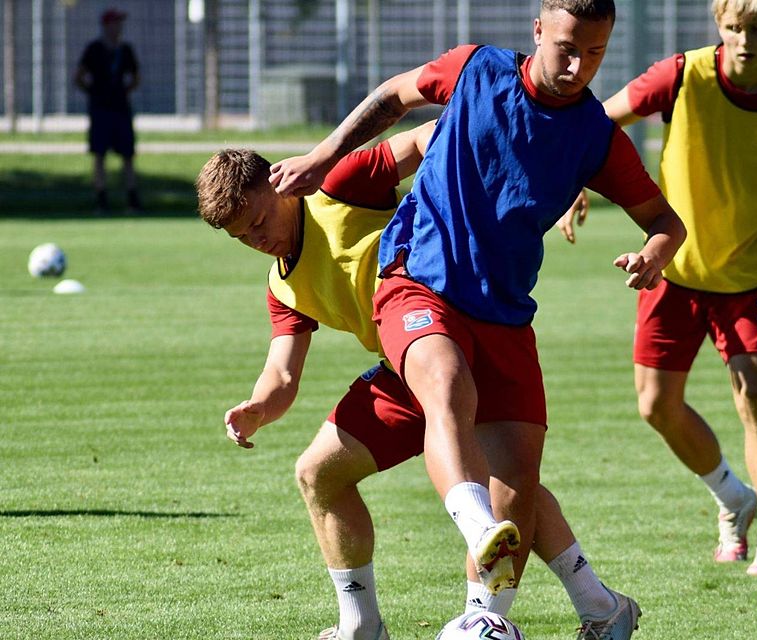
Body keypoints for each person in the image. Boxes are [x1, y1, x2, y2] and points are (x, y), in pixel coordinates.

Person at [269, 0, 685, 613]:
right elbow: (394, 96)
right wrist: (323, 154)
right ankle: (475, 527)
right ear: (538, 30)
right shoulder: (476, 69)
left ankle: (512, 616)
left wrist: (656, 253)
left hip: (506, 314)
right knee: (445, 384)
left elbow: (664, 221)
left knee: (517, 485)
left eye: (594, 54)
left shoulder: (596, 136)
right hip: (418, 279)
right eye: (566, 48)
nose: (577, 67)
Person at [196, 123, 645, 640]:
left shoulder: (336, 186)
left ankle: (506, 587)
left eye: (259, 221)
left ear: (276, 185)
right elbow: (282, 371)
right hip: (403, 366)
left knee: (505, 480)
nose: (258, 239)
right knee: (319, 473)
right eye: (242, 237)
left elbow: (427, 136)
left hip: (458, 322)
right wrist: (257, 406)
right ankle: (361, 624)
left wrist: (481, 183)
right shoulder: (282, 286)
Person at [557, 0, 757, 575]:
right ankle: (731, 497)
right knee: (656, 405)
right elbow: (598, 121)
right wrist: (576, 182)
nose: (746, 40)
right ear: (720, 27)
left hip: (746, 274)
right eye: (735, 28)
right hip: (672, 268)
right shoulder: (681, 74)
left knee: (755, 394)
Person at [74, 7, 142, 214]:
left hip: (121, 109)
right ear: (106, 25)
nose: (119, 26)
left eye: (120, 22)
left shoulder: (125, 49)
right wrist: (93, 92)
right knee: (99, 155)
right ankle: (101, 200)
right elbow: (79, 76)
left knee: (128, 155)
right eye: (115, 22)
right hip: (100, 110)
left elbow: (136, 76)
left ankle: (132, 200)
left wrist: (125, 92)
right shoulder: (94, 49)